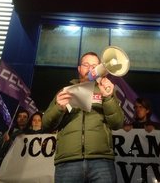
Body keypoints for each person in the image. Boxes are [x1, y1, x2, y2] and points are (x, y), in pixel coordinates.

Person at [42, 51, 124, 183]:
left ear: (99, 69)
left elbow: (117, 123)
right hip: (68, 161)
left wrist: (108, 97)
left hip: (101, 161)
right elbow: (46, 125)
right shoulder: (64, 92)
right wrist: (59, 108)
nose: (90, 68)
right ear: (79, 68)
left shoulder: (106, 90)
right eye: (86, 64)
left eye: (94, 65)